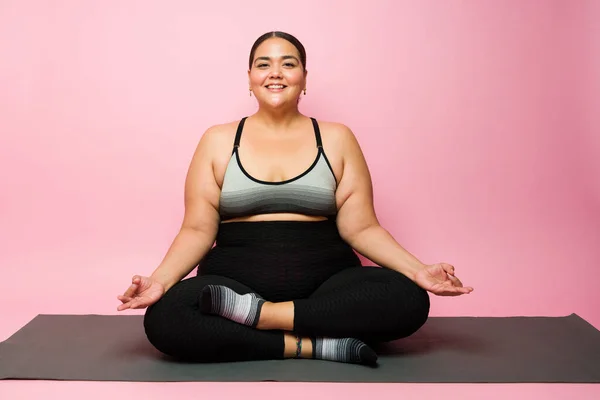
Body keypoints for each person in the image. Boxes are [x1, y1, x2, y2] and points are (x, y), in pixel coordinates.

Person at [116, 31, 473, 366]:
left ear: (304, 76)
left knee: (408, 298)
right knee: (166, 317)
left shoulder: (336, 138)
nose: (276, 73)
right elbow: (196, 229)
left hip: (323, 282)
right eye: (263, 64)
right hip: (234, 283)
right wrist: (159, 281)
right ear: (249, 77)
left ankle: (262, 319)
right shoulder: (218, 140)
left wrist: (418, 270)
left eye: (288, 63)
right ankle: (316, 345)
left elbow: (362, 227)